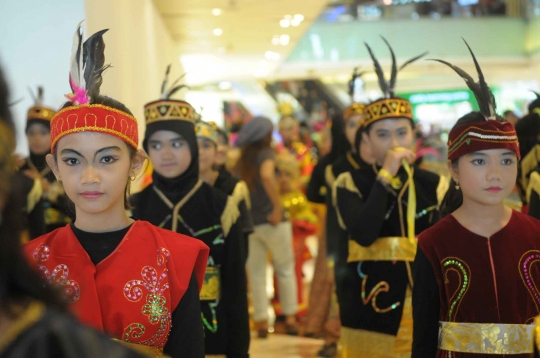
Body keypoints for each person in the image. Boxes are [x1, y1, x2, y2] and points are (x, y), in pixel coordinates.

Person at [22, 25, 209, 358]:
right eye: (73, 160)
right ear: (55, 168)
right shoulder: (28, 265)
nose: (90, 176)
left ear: (136, 164)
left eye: (107, 158)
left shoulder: (175, 259)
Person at [412, 41, 540, 357]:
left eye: (506, 160)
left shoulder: (536, 235)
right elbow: (424, 338)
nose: (495, 173)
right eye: (479, 161)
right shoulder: (433, 245)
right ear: (453, 170)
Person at [333, 38, 446, 357]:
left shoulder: (433, 183)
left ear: (414, 135)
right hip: (369, 299)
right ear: (365, 142)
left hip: (425, 299)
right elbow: (364, 233)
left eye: (401, 132)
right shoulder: (350, 182)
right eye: (382, 134)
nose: (394, 141)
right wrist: (385, 177)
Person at [131, 67, 250, 358]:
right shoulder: (133, 207)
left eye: (177, 143)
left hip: (212, 337)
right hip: (147, 340)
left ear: (193, 148)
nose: (166, 154)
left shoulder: (222, 206)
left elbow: (235, 286)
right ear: (146, 151)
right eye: (156, 145)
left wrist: (239, 351)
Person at [236, 116, 298, 338]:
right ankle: (290, 317)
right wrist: (278, 207)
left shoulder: (241, 160)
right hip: (272, 220)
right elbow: (267, 175)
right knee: (284, 268)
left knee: (256, 273)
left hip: (251, 223)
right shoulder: (267, 154)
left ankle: (261, 321)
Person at [196, 120, 253, 262]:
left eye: (206, 145)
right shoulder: (178, 188)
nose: (200, 152)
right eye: (195, 146)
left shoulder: (234, 188)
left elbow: (242, 242)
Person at [20, 87, 71, 236]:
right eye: (31, 133)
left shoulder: (65, 166)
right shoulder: (18, 167)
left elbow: (76, 207)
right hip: (26, 241)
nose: (36, 138)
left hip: (62, 238)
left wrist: (46, 188)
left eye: (43, 133)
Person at [272, 152, 317, 319]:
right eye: (280, 175)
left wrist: (296, 224)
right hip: (276, 241)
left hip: (294, 242)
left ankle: (294, 307)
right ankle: (279, 307)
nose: (283, 179)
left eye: (287, 175)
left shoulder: (298, 197)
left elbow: (309, 219)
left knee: (292, 273)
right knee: (277, 274)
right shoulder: (274, 197)